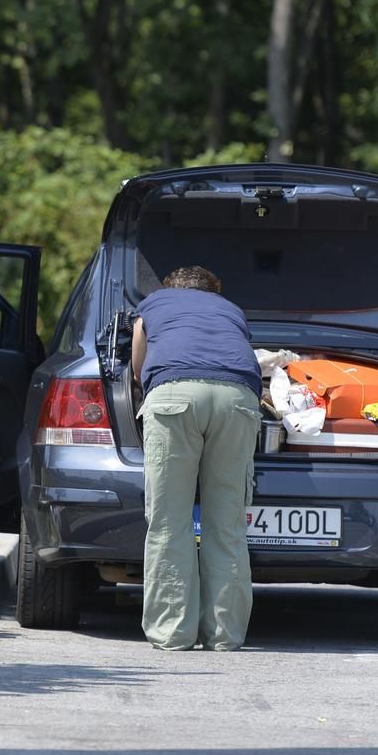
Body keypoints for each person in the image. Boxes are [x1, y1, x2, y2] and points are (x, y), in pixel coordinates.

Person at [131, 266, 262, 651]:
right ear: (213, 290)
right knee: (227, 523)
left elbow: (140, 364)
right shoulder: (230, 310)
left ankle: (173, 632)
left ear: (171, 288)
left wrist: (150, 385)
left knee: (169, 521)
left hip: (174, 396)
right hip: (237, 401)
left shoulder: (153, 303)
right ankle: (225, 635)